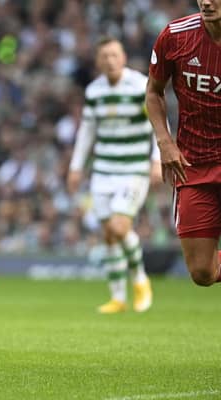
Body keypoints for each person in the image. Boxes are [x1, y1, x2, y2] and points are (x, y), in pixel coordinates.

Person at [67, 37, 161, 314]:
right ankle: (118, 298)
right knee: (108, 234)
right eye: (104, 56)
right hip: (103, 170)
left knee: (120, 228)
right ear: (98, 61)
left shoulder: (139, 85)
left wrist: (157, 159)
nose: (110, 60)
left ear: (123, 57)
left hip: (133, 168)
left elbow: (159, 120)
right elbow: (87, 133)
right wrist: (76, 166)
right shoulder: (94, 91)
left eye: (114, 55)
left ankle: (141, 280)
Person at [146, 0, 221, 287]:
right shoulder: (176, 35)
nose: (206, 1)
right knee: (203, 272)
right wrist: (164, 142)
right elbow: (154, 92)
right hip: (193, 166)